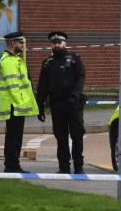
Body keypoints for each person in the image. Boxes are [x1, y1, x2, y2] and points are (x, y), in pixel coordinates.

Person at [36, 31, 87, 174]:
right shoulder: (48, 63)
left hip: (73, 104)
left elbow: (81, 77)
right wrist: (40, 107)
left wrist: (75, 96)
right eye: (54, 43)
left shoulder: (75, 59)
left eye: (59, 42)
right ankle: (63, 167)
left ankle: (78, 166)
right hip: (57, 104)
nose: (56, 45)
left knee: (77, 135)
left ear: (65, 43)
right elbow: (42, 86)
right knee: (61, 136)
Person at [0, 31, 38, 173]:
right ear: (13, 43)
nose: (23, 45)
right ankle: (12, 166)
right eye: (21, 43)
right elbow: (13, 85)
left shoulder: (14, 60)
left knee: (14, 137)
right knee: (14, 138)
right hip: (14, 106)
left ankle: (12, 165)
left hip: (15, 105)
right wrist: (20, 103)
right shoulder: (9, 61)